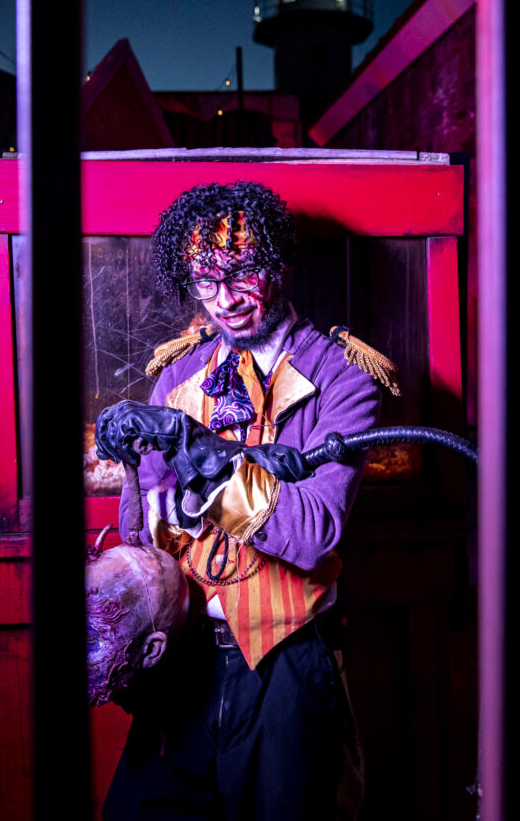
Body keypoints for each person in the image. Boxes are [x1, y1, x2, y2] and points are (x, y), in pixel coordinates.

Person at [95, 181, 398, 821]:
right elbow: (146, 533)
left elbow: (315, 530)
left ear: (278, 264)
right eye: (205, 280)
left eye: (242, 274)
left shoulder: (341, 377)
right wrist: (130, 465)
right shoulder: (177, 374)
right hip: (183, 662)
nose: (224, 300)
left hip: (284, 662)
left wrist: (204, 457)